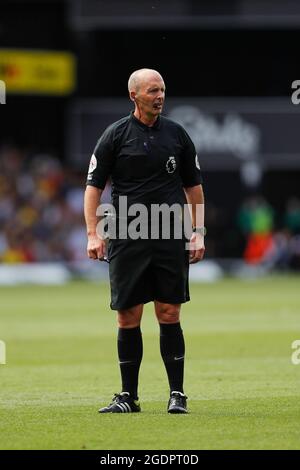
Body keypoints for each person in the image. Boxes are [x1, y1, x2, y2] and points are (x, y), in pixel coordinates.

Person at [84, 68, 205, 414]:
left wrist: (197, 231)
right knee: (128, 316)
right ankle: (128, 396)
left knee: (169, 312)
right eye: (153, 91)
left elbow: (193, 187)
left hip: (169, 233)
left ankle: (177, 394)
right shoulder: (115, 135)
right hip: (127, 234)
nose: (160, 96)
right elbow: (93, 187)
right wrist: (93, 233)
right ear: (134, 96)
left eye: (163, 90)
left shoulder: (178, 135)